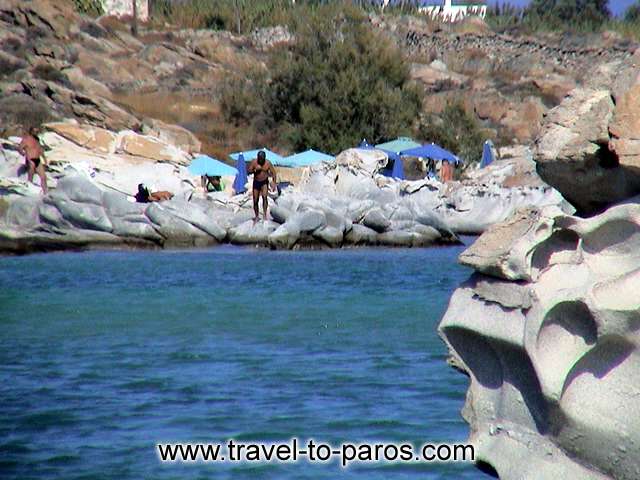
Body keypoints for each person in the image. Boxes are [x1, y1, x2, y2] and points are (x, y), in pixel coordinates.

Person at [247, 151, 276, 222]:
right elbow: (248, 171)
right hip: (256, 182)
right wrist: (255, 170)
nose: (260, 160)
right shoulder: (254, 162)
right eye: (259, 159)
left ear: (264, 158)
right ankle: (256, 216)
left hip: (264, 182)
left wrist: (274, 182)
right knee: (255, 200)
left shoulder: (268, 163)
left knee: (264, 197)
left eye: (262, 159)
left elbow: (274, 173)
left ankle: (265, 215)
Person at [18, 127, 48, 194]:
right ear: (31, 131)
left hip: (38, 159)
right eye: (35, 131)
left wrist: (44, 158)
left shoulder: (37, 139)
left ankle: (45, 192)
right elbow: (20, 148)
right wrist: (23, 153)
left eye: (37, 131)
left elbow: (40, 149)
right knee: (31, 173)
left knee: (43, 176)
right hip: (30, 159)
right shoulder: (26, 139)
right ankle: (29, 189)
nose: (36, 133)